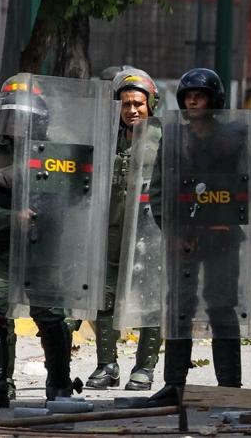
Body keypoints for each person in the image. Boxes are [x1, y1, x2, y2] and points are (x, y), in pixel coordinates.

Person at [149, 68, 250, 406]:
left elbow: (245, 187)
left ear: (214, 100)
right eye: (188, 95)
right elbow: (159, 191)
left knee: (222, 306)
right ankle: (174, 385)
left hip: (222, 235)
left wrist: (224, 224)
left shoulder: (234, 137)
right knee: (179, 308)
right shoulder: (174, 137)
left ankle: (229, 389)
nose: (192, 100)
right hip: (184, 238)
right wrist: (173, 233)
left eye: (200, 95)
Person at [0, 77, 81, 405]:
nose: (17, 124)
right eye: (12, 116)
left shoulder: (56, 156)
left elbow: (77, 199)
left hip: (44, 250)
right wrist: (12, 218)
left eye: (24, 117)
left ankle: (60, 384)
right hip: (3, 248)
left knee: (52, 315)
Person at [85, 69, 164, 391]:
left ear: (151, 105)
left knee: (151, 302)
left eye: (138, 104)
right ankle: (107, 365)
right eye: (126, 103)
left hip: (150, 235)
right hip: (109, 233)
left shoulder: (164, 139)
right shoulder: (106, 139)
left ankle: (144, 368)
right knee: (103, 300)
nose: (132, 110)